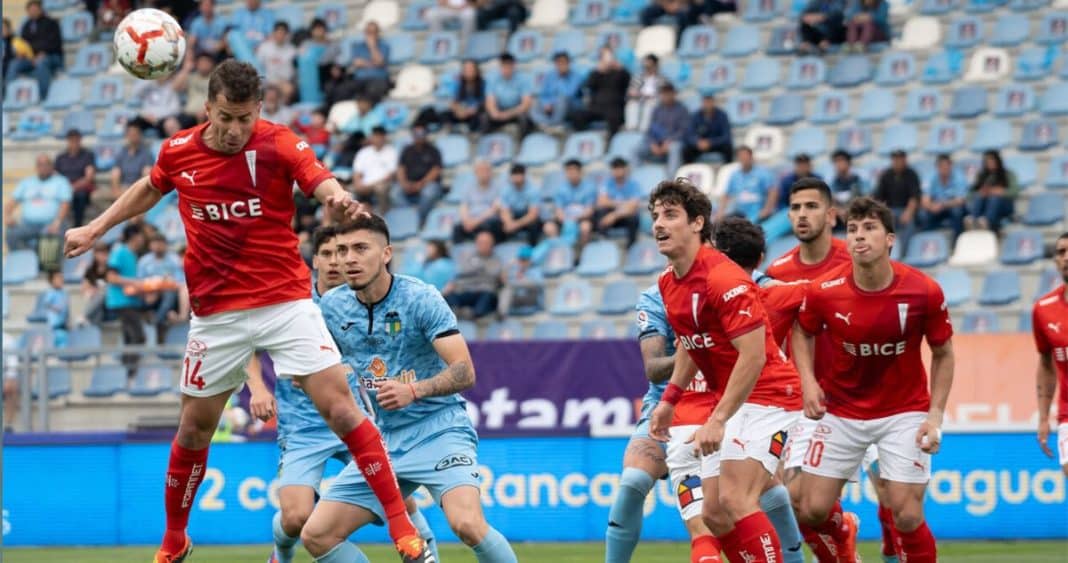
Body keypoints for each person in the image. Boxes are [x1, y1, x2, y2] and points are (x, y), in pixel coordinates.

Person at [62, 60, 432, 563]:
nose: (236, 130)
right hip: (217, 314)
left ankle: (400, 526)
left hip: (285, 301)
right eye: (227, 117)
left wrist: (339, 198)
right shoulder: (177, 151)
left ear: (259, 110)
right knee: (194, 429)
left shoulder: (278, 142)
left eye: (246, 118)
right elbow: (150, 187)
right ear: (207, 108)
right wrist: (94, 229)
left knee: (342, 408)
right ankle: (174, 538)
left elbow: (318, 178)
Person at [302, 216, 518, 563]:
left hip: (439, 427)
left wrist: (413, 391)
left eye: (360, 248)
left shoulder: (420, 298)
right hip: (381, 439)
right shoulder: (331, 306)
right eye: (341, 250)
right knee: (316, 536)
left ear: (386, 253)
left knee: (467, 524)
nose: (348, 259)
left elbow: (465, 371)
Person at [647, 178, 801, 563]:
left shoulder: (723, 277)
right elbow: (691, 344)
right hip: (735, 401)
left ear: (698, 223)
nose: (658, 225)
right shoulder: (669, 282)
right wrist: (670, 400)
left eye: (670, 215)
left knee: (735, 499)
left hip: (770, 396)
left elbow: (753, 357)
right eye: (654, 216)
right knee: (714, 514)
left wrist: (716, 419)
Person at [794, 196, 955, 563]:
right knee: (811, 508)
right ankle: (846, 533)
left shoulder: (923, 290)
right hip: (841, 410)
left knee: (907, 513)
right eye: (852, 230)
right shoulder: (823, 291)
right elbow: (801, 333)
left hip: (903, 411)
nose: (859, 237)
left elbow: (944, 353)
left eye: (869, 228)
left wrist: (935, 415)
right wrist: (808, 381)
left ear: (890, 239)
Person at [270, 225, 439, 563]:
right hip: (303, 425)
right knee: (295, 518)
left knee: (401, 498)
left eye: (344, 252)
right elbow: (248, 336)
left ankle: (426, 555)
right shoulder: (294, 302)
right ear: (315, 260)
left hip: (352, 417)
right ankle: (281, 554)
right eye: (328, 254)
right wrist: (258, 388)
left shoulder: (367, 298)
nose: (337, 261)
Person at [766, 178, 898, 563]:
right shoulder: (778, 270)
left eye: (810, 206)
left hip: (869, 397)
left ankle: (890, 550)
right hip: (812, 403)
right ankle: (844, 535)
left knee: (894, 500)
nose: (802, 215)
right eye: (795, 208)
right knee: (797, 502)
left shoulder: (855, 257)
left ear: (831, 214)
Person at [1034, 232, 1068, 477]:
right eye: (1060, 252)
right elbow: (1046, 363)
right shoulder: (1043, 310)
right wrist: (1044, 417)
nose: (1066, 257)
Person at [5, 154, 72, 251]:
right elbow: (11, 203)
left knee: (49, 238)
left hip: (51, 224)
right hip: (28, 225)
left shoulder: (61, 181)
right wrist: (7, 216)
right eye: (40, 164)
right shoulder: (26, 182)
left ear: (52, 166)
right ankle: (24, 260)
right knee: (12, 233)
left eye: (46, 164)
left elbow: (65, 204)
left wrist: (57, 222)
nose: (43, 167)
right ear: (36, 167)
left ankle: (46, 263)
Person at [106, 224, 147, 377]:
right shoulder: (120, 252)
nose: (143, 239)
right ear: (135, 236)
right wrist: (134, 283)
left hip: (132, 301)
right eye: (141, 235)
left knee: (130, 337)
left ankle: (126, 371)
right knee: (138, 336)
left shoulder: (133, 254)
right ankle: (129, 371)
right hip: (121, 301)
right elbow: (111, 277)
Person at [568, 47, 631, 138]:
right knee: (577, 115)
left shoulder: (620, 73)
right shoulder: (596, 73)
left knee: (614, 118)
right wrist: (597, 72)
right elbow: (588, 86)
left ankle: (610, 143)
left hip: (614, 108)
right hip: (596, 108)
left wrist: (620, 68)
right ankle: (585, 138)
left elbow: (628, 82)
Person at [5, 0, 62, 97]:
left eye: (35, 9)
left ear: (41, 9)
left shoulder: (52, 23)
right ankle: (8, 95)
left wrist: (43, 53)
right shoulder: (26, 25)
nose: (33, 12)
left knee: (41, 63)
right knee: (14, 64)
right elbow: (23, 44)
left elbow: (55, 43)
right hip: (30, 57)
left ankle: (43, 97)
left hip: (51, 55)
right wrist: (22, 53)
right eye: (30, 10)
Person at [444, 230, 505, 320]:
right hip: (466, 290)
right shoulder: (467, 257)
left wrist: (476, 269)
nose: (482, 245)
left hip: (483, 292)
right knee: (448, 296)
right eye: (480, 242)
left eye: (486, 243)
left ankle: (473, 314)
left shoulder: (496, 260)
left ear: (492, 244)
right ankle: (458, 311)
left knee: (488, 298)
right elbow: (460, 273)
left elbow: (495, 275)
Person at [137, 233, 184, 339]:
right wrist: (153, 288)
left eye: (160, 243)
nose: (158, 246)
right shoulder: (144, 261)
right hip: (149, 294)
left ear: (165, 245)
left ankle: (157, 320)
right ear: (150, 245)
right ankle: (159, 317)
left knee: (169, 293)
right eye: (155, 243)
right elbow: (140, 282)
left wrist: (162, 286)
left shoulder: (173, 259)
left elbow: (179, 281)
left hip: (170, 295)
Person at [545, 159, 597, 254]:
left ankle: (582, 255)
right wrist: (566, 220)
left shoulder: (589, 187)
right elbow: (558, 210)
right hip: (565, 219)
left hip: (582, 218)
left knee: (585, 228)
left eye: (574, 171)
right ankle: (558, 253)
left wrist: (574, 218)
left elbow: (589, 210)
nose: (571, 174)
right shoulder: (560, 189)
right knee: (548, 227)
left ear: (580, 172)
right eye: (568, 171)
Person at [874, 150, 920, 254]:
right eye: (896, 159)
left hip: (905, 209)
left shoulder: (911, 175)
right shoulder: (886, 175)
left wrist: (908, 212)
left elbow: (914, 197)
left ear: (905, 160)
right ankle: (883, 253)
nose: (898, 162)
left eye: (900, 159)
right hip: (890, 210)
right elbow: (878, 198)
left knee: (909, 224)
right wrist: (883, 213)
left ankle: (903, 253)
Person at [395, 125, 444, 223]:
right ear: (412, 135)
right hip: (409, 184)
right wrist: (404, 183)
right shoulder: (407, 150)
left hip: (428, 184)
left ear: (426, 135)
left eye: (421, 133)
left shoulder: (433, 150)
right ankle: (409, 218)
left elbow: (436, 170)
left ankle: (420, 221)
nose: (419, 136)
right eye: (416, 134)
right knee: (394, 193)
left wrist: (421, 184)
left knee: (428, 193)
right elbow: (400, 168)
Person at [717, 146, 776, 225]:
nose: (743, 159)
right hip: (740, 213)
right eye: (741, 156)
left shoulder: (763, 173)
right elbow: (727, 194)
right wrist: (720, 212)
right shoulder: (735, 175)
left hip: (758, 213)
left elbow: (772, 191)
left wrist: (767, 209)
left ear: (751, 157)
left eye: (745, 156)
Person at [964, 149, 1018, 236]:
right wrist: (981, 192)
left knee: (994, 197)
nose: (989, 162)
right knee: (979, 196)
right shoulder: (981, 176)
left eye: (992, 159)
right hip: (985, 206)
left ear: (997, 160)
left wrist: (1001, 191)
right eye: (987, 160)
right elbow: (969, 194)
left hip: (1004, 206)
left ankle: (986, 221)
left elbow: (1015, 191)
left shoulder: (1008, 174)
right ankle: (973, 219)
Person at [640, 83, 689, 175]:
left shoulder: (682, 109)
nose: (666, 96)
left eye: (668, 94)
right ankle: (638, 177)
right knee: (636, 150)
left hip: (674, 141)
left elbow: (684, 131)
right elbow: (650, 130)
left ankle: (671, 180)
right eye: (663, 94)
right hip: (657, 143)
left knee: (675, 148)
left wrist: (669, 141)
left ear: (674, 94)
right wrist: (652, 143)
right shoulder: (657, 109)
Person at [531, 51, 586, 130]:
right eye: (559, 63)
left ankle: (553, 125)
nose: (561, 65)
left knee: (562, 100)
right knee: (535, 103)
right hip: (551, 107)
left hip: (570, 107)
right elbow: (543, 94)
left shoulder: (576, 76)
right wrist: (546, 103)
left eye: (563, 63)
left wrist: (561, 78)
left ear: (568, 63)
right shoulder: (550, 75)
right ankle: (547, 124)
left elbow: (569, 94)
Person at [595, 158, 642, 248]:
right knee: (600, 212)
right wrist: (622, 203)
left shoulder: (633, 184)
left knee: (633, 216)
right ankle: (602, 243)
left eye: (620, 168)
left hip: (623, 216)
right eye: (615, 168)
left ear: (625, 169)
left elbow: (633, 206)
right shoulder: (607, 183)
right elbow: (601, 202)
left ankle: (631, 247)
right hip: (611, 215)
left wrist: (614, 215)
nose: (617, 171)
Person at [54, 129, 97, 228]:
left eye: (76, 140)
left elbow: (89, 177)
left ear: (80, 140)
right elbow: (55, 176)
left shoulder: (87, 155)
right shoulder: (61, 157)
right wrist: (66, 188)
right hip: (64, 189)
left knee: (80, 196)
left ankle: (78, 225)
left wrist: (73, 187)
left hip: (81, 189)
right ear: (68, 141)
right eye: (71, 140)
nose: (74, 143)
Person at [485, 53, 534, 136]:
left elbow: (526, 104)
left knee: (525, 119)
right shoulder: (492, 77)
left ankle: (522, 144)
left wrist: (508, 114)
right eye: (504, 66)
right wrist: (494, 112)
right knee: (484, 118)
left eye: (509, 66)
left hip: (516, 111)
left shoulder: (524, 78)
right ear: (500, 66)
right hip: (499, 110)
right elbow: (490, 100)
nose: (506, 69)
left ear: (514, 65)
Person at [352, 126, 399, 213]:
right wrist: (358, 184)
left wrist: (370, 186)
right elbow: (357, 172)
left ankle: (382, 214)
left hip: (381, 184)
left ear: (384, 137)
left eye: (380, 136)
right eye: (375, 136)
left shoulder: (391, 152)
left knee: (381, 189)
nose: (377, 139)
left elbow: (390, 175)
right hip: (364, 184)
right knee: (346, 191)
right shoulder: (363, 152)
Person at [453, 160, 502, 243]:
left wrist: (475, 222)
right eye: (481, 170)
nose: (484, 173)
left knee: (492, 226)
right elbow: (463, 206)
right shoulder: (468, 187)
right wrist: (466, 221)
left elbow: (495, 209)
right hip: (471, 220)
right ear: (475, 172)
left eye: (487, 170)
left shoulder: (498, 187)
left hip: (487, 220)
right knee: (457, 227)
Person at [921, 154, 967, 240]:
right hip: (937, 207)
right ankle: (928, 241)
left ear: (951, 165)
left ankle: (957, 241)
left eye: (947, 166)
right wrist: (931, 207)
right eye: (942, 166)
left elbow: (961, 200)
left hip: (952, 206)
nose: (945, 169)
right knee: (923, 214)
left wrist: (942, 205)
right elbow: (925, 199)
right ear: (937, 167)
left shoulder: (959, 176)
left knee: (957, 211)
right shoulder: (930, 177)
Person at [347, 21, 392, 103]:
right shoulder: (357, 46)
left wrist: (372, 46)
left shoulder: (384, 46)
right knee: (343, 90)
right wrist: (372, 63)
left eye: (373, 32)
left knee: (372, 91)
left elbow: (379, 62)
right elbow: (356, 62)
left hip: (378, 79)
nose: (370, 35)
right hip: (359, 79)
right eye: (368, 32)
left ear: (378, 33)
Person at [497, 163, 541, 245]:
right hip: (512, 215)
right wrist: (508, 222)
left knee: (534, 224)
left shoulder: (533, 190)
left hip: (526, 216)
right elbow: (504, 210)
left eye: (519, 174)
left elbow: (533, 214)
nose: (516, 177)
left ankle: (532, 249)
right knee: (496, 222)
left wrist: (515, 224)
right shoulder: (506, 190)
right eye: (514, 174)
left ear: (524, 175)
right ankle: (499, 247)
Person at [683, 94, 733, 165]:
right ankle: (688, 170)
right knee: (687, 150)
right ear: (702, 103)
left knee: (728, 148)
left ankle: (727, 169)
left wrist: (710, 142)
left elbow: (726, 136)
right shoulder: (695, 116)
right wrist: (697, 142)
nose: (708, 105)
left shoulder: (722, 115)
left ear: (713, 102)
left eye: (709, 102)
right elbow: (689, 135)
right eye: (706, 102)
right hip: (700, 145)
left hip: (716, 145)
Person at [256, 22, 297, 102]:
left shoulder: (292, 50)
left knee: (288, 89)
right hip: (267, 80)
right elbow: (258, 67)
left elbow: (292, 72)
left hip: (283, 81)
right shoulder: (264, 47)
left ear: (287, 35)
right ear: (273, 33)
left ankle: (281, 109)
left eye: (282, 33)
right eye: (278, 33)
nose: (280, 36)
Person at [625, 54, 667, 132]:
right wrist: (637, 94)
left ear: (655, 66)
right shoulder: (638, 77)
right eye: (645, 66)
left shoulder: (661, 79)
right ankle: (631, 129)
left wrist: (651, 96)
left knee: (649, 105)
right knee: (631, 104)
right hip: (639, 99)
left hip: (654, 100)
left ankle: (644, 130)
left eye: (649, 66)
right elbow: (631, 91)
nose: (647, 69)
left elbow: (663, 94)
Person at [828, 149, 863, 226]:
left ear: (849, 163)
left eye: (841, 161)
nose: (838, 164)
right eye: (836, 161)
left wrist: (849, 210)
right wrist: (839, 211)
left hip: (857, 217)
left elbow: (865, 200)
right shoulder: (832, 184)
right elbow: (830, 201)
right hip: (837, 220)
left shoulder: (859, 181)